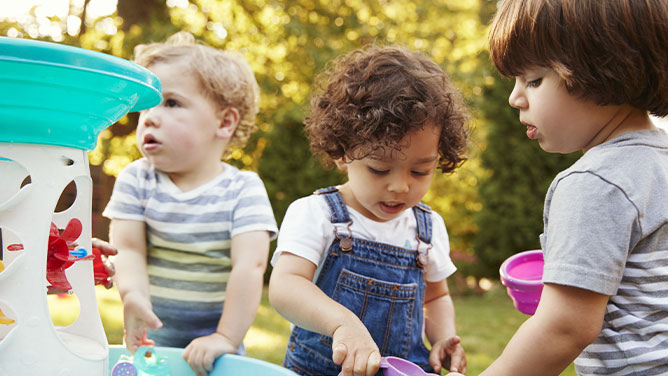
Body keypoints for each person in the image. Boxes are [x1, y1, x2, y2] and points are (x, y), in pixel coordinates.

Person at [448, 0, 668, 375]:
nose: (515, 97)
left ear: (604, 70)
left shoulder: (593, 182)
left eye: (534, 80)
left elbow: (563, 329)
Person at [268, 45, 470, 376]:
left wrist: (444, 338)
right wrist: (342, 323)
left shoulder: (427, 228)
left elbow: (435, 298)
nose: (401, 186)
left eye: (420, 171)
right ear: (343, 152)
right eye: (379, 169)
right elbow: (286, 285)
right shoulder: (316, 214)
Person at [103, 32, 278, 376]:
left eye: (170, 103)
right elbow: (129, 249)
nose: (149, 117)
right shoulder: (136, 179)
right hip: (152, 346)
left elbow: (250, 266)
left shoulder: (243, 189)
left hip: (216, 353)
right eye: (146, 106)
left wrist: (225, 337)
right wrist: (133, 295)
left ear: (224, 122)